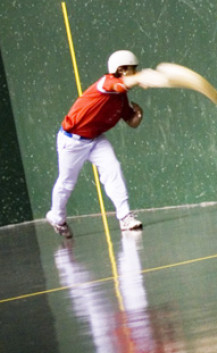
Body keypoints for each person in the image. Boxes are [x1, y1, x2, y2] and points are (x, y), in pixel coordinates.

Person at [46, 50, 147, 237]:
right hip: (72, 139)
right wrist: (147, 77)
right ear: (121, 70)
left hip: (95, 138)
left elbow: (131, 122)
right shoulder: (106, 83)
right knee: (67, 182)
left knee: (113, 169)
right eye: (133, 70)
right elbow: (122, 84)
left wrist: (138, 114)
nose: (135, 73)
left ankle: (125, 217)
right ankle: (56, 217)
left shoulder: (121, 98)